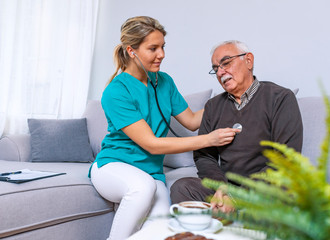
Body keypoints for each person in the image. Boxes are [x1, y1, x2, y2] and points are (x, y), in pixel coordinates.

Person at [88, 17, 240, 240]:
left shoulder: (164, 82)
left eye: (162, 47)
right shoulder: (116, 92)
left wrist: (227, 97)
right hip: (114, 167)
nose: (162, 54)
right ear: (131, 51)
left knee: (159, 230)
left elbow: (191, 120)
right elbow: (152, 144)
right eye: (153, 48)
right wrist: (209, 139)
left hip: (152, 173)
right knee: (142, 188)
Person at [170, 40, 303, 214]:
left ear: (248, 60)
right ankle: (225, 217)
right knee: (182, 187)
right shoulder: (213, 106)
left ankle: (230, 216)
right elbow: (204, 157)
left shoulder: (280, 98)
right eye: (216, 68)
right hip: (226, 187)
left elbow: (286, 159)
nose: (220, 72)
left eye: (226, 63)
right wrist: (221, 188)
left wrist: (238, 196)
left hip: (265, 187)